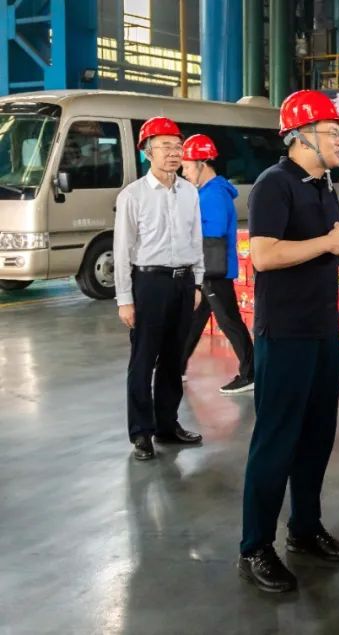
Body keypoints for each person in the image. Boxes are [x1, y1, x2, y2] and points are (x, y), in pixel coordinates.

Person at [238, 90, 339, 593]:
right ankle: (255, 546)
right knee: (276, 439)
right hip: (285, 332)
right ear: (302, 137)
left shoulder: (325, 186)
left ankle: (305, 528)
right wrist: (327, 243)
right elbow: (263, 255)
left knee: (317, 436)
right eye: (332, 132)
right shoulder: (274, 184)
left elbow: (317, 248)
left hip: (322, 330)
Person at [114, 117, 205, 461]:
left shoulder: (189, 192)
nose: (173, 153)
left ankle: (167, 425)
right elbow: (122, 250)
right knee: (143, 359)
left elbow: (196, 239)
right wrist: (125, 299)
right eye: (165, 146)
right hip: (149, 283)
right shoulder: (133, 196)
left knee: (172, 359)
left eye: (178, 146)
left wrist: (197, 282)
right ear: (148, 151)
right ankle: (141, 432)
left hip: (184, 283)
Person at [178, 133, 256, 394]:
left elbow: (214, 231)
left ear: (202, 164)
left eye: (187, 167)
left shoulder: (213, 193)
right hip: (208, 269)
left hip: (213, 270)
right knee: (194, 319)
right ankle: (176, 366)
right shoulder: (207, 192)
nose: (184, 173)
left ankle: (251, 373)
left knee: (229, 321)